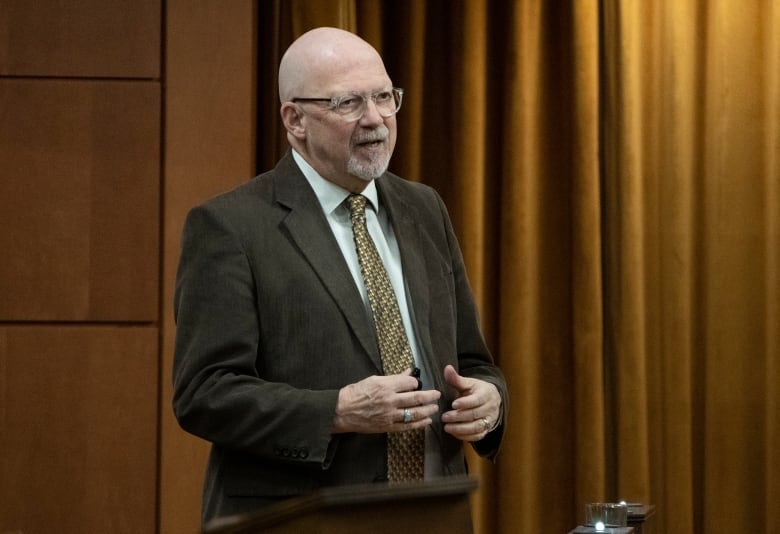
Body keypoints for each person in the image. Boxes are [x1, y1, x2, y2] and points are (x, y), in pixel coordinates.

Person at [172, 26, 508, 524]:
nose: (375, 120)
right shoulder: (231, 227)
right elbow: (205, 393)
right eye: (349, 103)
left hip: (433, 510)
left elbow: (474, 362)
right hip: (302, 516)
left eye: (384, 97)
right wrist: (336, 411)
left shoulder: (424, 208)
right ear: (295, 119)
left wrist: (489, 401)